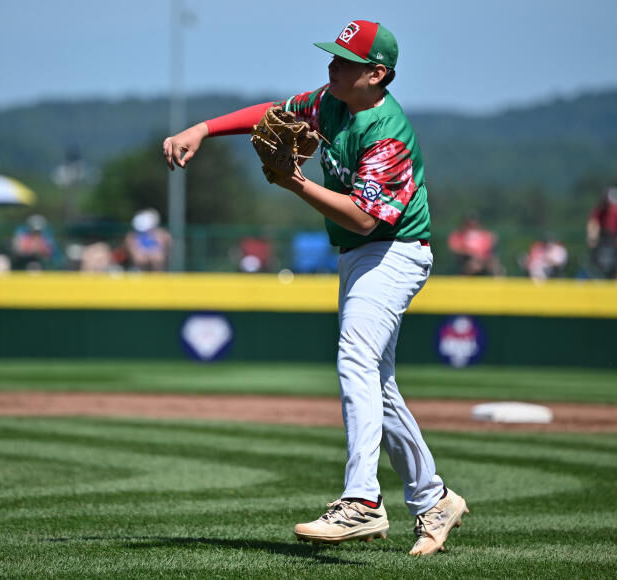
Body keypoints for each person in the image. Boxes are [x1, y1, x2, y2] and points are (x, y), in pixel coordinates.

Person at [163, 20, 467, 555]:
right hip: (358, 255)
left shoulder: (387, 132)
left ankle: (362, 501)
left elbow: (366, 220)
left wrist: (295, 182)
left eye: (346, 60)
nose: (333, 64)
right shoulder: (330, 102)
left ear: (377, 74)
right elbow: (275, 113)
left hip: (394, 252)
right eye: (333, 55)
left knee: (354, 358)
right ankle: (433, 499)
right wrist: (203, 130)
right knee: (378, 382)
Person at [586, 186, 617, 279]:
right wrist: (592, 237)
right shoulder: (600, 209)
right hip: (603, 238)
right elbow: (593, 223)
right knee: (597, 261)